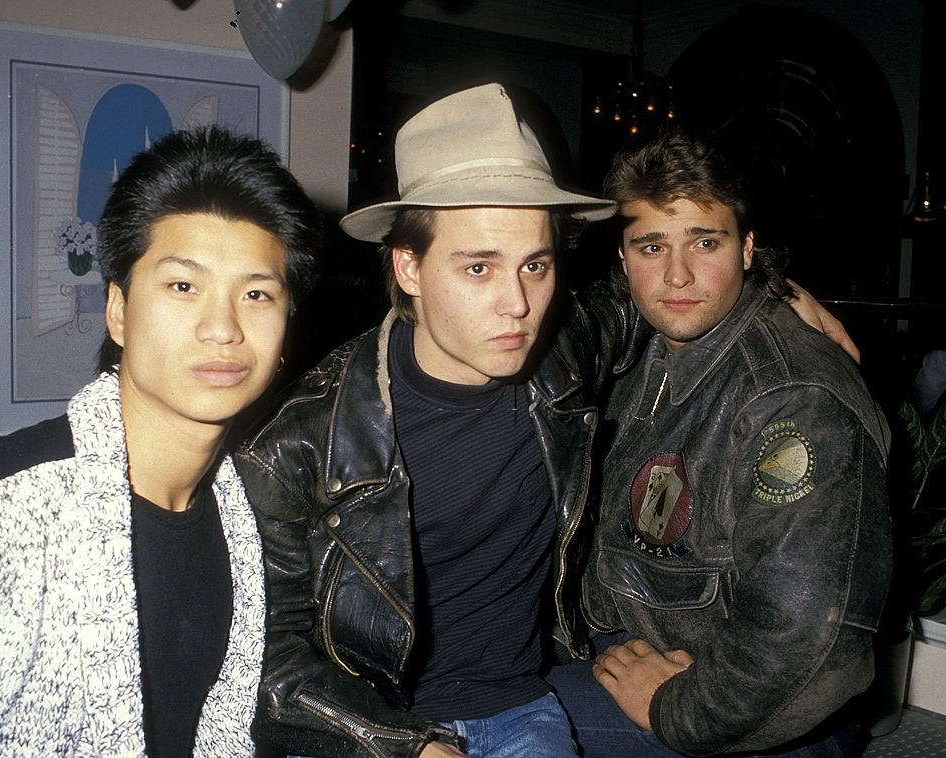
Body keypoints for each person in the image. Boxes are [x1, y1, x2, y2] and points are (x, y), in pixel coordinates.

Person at [235, 83, 856, 758]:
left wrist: (768, 281)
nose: (518, 305)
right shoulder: (297, 444)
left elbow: (661, 280)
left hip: (516, 707)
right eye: (478, 267)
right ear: (408, 266)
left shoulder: (563, 351)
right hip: (371, 726)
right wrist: (405, 745)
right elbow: (265, 658)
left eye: (536, 264)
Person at [0, 126, 321, 756]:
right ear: (117, 311)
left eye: (256, 293)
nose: (223, 328)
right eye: (183, 286)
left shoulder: (249, 511)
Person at [548, 130, 892, 757]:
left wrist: (674, 705)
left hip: (750, 709)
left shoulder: (792, 398)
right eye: (652, 246)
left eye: (706, 242)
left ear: (747, 248)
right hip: (628, 651)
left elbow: (805, 640)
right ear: (623, 260)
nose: (677, 274)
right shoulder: (642, 353)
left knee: (484, 734)